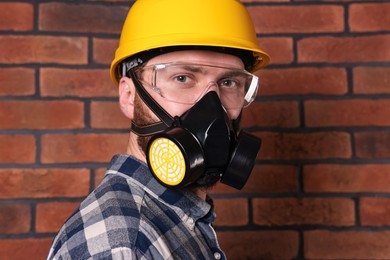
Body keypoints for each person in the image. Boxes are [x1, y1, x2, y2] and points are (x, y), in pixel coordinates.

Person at [47, 0, 270, 259]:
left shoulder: (171, 220)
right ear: (130, 96)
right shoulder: (125, 243)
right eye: (182, 78)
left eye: (229, 82)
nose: (212, 105)